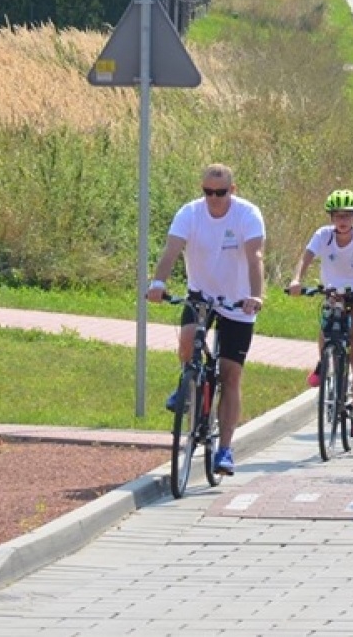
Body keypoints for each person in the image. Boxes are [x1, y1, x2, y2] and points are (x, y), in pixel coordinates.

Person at [147, 164, 267, 476]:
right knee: (188, 338)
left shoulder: (247, 214)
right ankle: (188, 384)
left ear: (233, 189)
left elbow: (255, 258)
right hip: (201, 293)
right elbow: (172, 250)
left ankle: (225, 449)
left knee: (230, 375)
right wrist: (158, 283)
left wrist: (256, 295)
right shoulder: (190, 213)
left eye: (221, 192)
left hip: (237, 301)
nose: (214, 198)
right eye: (208, 192)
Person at [284, 190, 353, 440]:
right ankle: (324, 361)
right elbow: (305, 258)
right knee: (327, 323)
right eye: (338, 216)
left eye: (348, 216)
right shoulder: (323, 235)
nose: (342, 220)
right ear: (331, 217)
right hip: (334, 291)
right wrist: (296, 279)